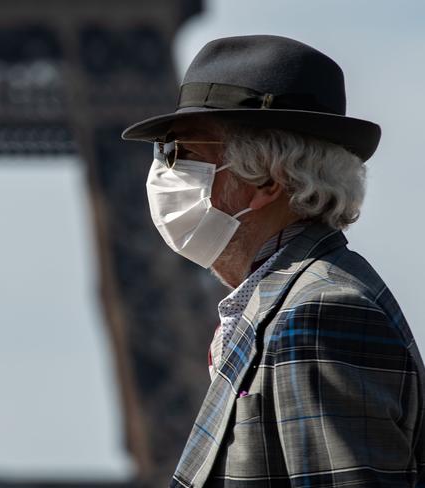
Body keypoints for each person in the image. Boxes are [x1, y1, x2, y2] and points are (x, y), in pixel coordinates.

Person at [122, 35, 425, 487]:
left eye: (180, 155)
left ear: (266, 180)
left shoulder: (319, 314)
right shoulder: (283, 307)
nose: (164, 174)